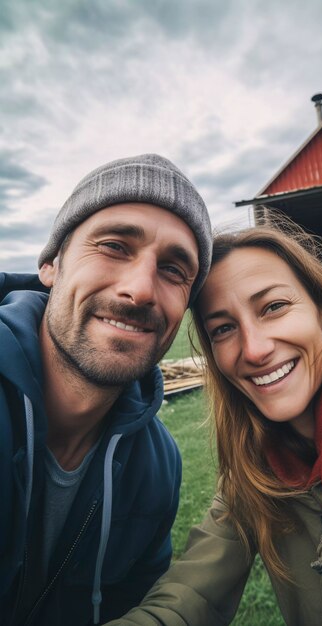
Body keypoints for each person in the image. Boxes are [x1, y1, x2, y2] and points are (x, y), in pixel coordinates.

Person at [105, 225, 322, 626]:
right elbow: (189, 596)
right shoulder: (255, 472)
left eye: (273, 307)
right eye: (223, 328)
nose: (254, 349)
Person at [0, 153, 212, 626]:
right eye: (115, 246)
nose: (140, 290)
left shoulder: (158, 467)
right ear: (51, 265)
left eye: (175, 270)